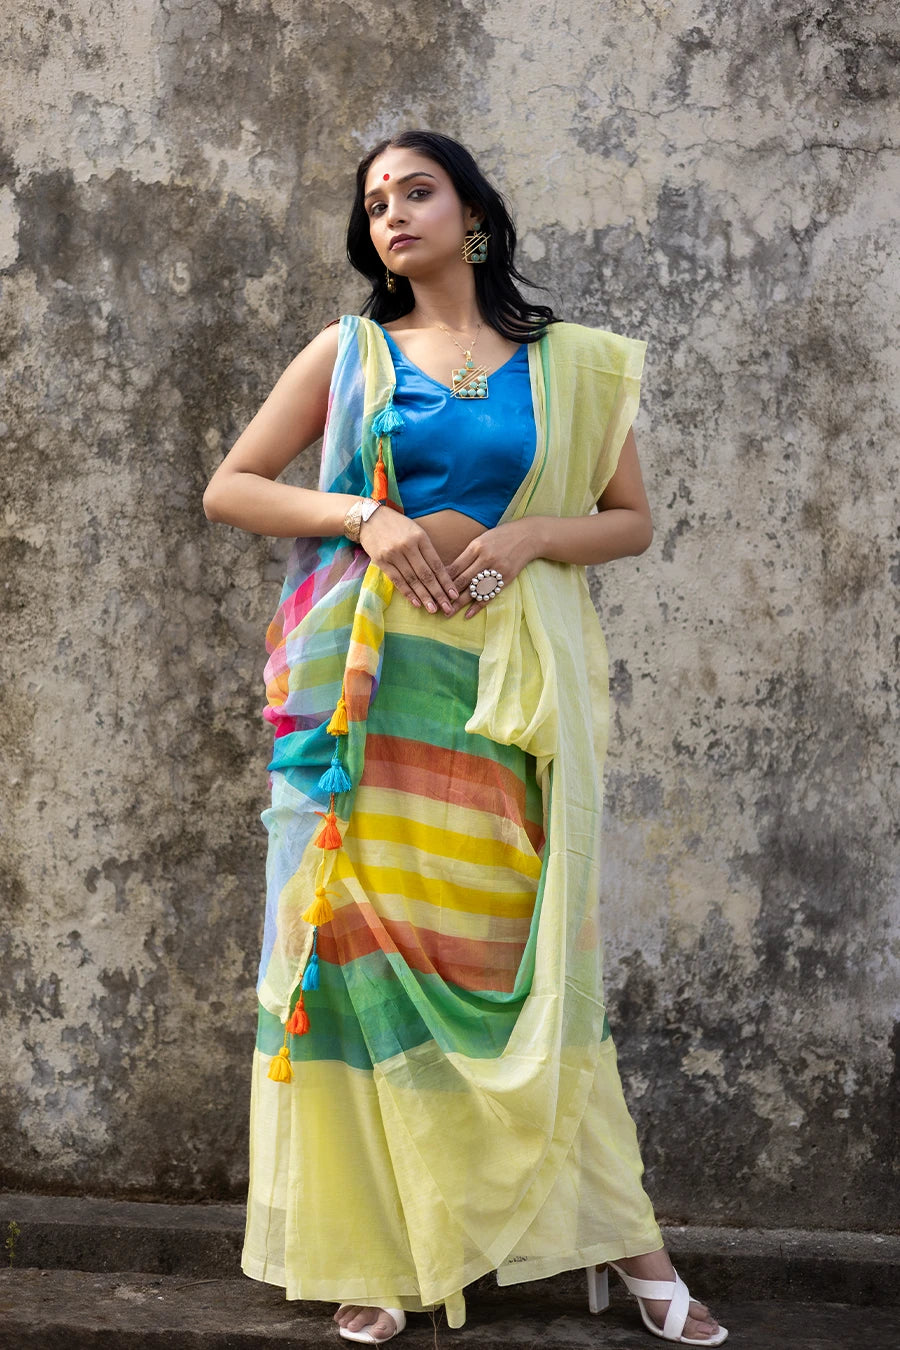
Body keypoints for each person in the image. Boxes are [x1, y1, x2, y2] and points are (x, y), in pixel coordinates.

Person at [203, 130, 727, 1347]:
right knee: (357, 974)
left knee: (519, 977)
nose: (393, 214)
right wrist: (364, 515)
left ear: (475, 213)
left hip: (503, 710)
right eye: (375, 202)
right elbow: (233, 485)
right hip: (361, 712)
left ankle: (619, 1239)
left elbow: (630, 520)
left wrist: (536, 536)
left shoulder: (574, 368)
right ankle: (379, 1253)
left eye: (417, 190)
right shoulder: (350, 354)